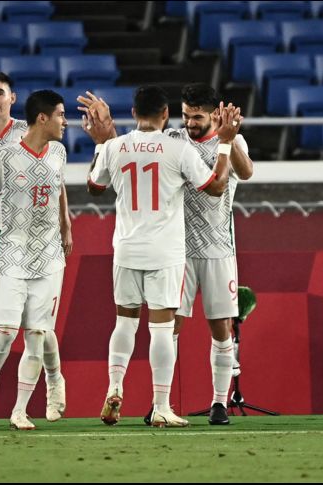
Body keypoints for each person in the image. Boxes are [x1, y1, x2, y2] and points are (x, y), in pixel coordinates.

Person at [78, 84, 253, 426]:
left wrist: (227, 140)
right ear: (171, 114)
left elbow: (245, 173)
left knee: (221, 328)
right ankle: (162, 401)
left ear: (213, 114)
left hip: (218, 248)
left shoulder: (232, 140)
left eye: (197, 116)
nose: (189, 122)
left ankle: (218, 403)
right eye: (185, 115)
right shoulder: (175, 141)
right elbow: (207, 182)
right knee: (169, 328)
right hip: (178, 249)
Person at [0, 90, 72, 430]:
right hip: (11, 256)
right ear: (43, 118)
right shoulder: (5, 158)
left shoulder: (59, 152)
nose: (65, 122)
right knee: (5, 333)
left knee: (37, 334)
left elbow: (59, 187)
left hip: (50, 258)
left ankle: (21, 409)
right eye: (60, 115)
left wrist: (65, 224)